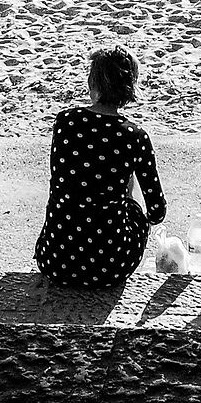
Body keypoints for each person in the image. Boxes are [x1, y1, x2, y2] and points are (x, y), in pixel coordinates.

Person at [35, 47, 167, 288]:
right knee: (131, 207)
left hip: (55, 259)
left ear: (92, 83)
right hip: (110, 267)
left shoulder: (65, 122)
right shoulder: (135, 136)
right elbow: (157, 211)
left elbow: (66, 179)